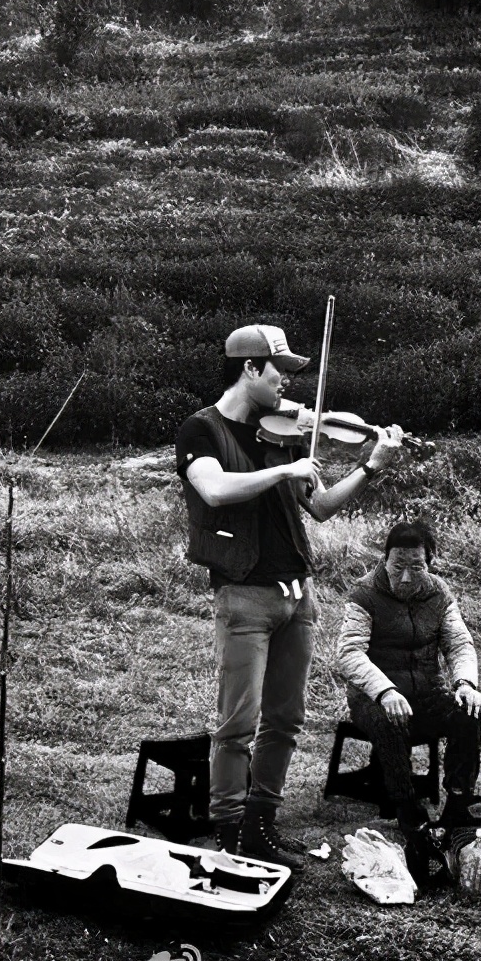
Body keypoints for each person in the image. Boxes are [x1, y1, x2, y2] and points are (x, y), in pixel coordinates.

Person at [176, 323, 404, 870]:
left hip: (298, 598)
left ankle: (261, 825)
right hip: (245, 597)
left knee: (286, 720)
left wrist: (371, 465)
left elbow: (320, 506)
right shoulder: (200, 430)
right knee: (238, 723)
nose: (287, 384)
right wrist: (285, 468)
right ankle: (229, 828)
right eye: (281, 371)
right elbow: (214, 488)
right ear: (251, 368)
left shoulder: (280, 431)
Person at [335, 519, 481, 834]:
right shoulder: (365, 592)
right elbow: (350, 653)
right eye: (397, 565)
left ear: (429, 564)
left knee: (469, 715)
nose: (405, 577)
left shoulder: (438, 593)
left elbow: (459, 643)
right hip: (373, 697)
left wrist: (466, 684)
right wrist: (385, 691)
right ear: (385, 559)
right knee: (389, 721)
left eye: (416, 567)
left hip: (427, 693)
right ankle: (407, 808)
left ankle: (459, 803)